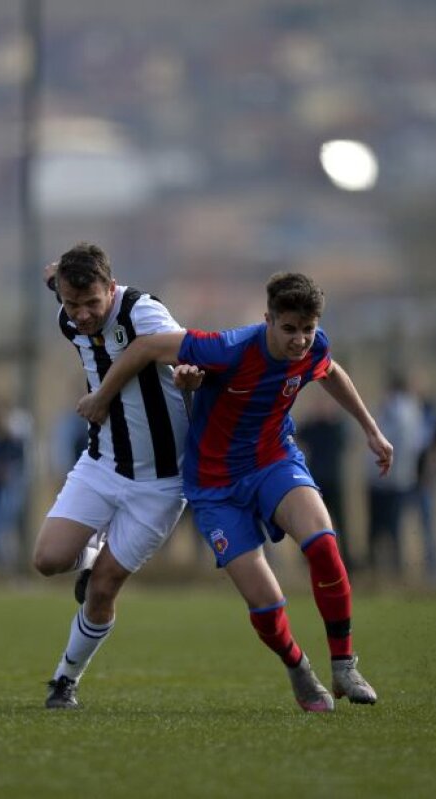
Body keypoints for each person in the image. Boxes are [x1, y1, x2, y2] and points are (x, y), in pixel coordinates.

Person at [78, 271, 392, 712]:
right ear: (268, 320)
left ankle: (344, 664)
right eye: (289, 329)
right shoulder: (228, 349)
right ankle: (298, 667)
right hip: (214, 485)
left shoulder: (313, 348)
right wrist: (103, 396)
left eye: (308, 329)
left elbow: (329, 371)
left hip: (272, 462)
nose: (300, 340)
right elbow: (148, 347)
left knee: (323, 544)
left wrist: (371, 430)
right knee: (266, 603)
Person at [34, 241, 193, 711]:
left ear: (112, 286)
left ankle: (65, 679)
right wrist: (55, 280)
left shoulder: (143, 313)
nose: (81, 315)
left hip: (162, 483)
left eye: (91, 303)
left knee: (103, 587)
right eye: (70, 303)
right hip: (102, 464)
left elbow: (178, 348)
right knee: (47, 560)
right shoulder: (68, 314)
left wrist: (187, 374)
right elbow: (58, 280)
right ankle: (89, 553)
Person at [365, 372, 424, 579]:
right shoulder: (405, 410)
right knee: (385, 527)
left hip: (392, 479)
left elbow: (403, 445)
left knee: (389, 527)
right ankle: (383, 570)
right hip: (391, 479)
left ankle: (392, 570)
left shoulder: (400, 410)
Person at [294, 393, 352, 567]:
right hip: (315, 482)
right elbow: (298, 433)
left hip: (334, 480)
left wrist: (332, 418)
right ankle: (310, 560)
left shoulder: (337, 426)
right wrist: (312, 417)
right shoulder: (313, 426)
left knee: (340, 523)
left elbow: (347, 440)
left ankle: (345, 560)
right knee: (311, 523)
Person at [411, 390, 436, 587]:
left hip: (425, 480)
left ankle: (435, 571)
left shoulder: (433, 416)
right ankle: (402, 572)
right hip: (404, 479)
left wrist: (431, 473)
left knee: (429, 525)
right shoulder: (404, 414)